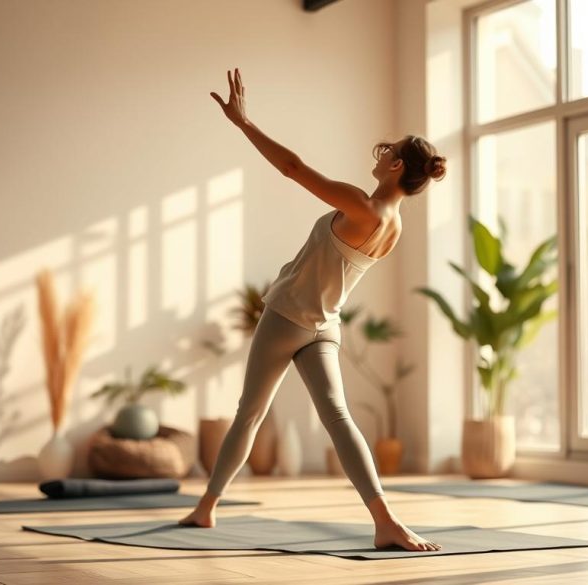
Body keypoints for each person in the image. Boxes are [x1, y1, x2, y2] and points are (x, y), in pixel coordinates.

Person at [178, 68, 448, 552]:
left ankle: (207, 508)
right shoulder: (394, 226)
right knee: (338, 416)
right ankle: (384, 519)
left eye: (389, 150)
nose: (381, 151)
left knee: (249, 415)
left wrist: (243, 123)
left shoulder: (364, 207)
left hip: (286, 318)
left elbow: (294, 168)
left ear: (396, 167)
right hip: (325, 326)